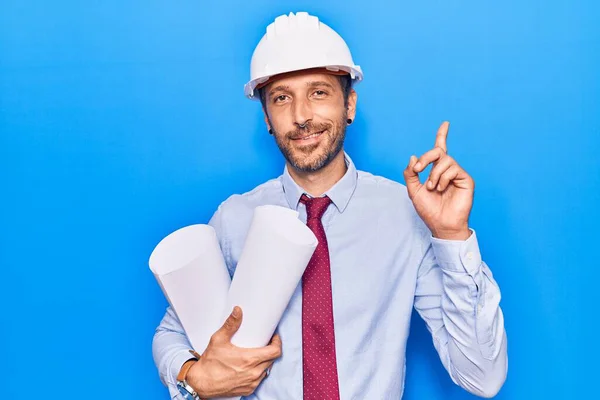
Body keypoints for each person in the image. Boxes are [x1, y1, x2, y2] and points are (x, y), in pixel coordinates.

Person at [152, 11, 508, 400]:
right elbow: (172, 333)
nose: (301, 116)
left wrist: (452, 236)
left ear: (349, 104)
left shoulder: (404, 213)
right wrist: (191, 376)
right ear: (267, 118)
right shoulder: (235, 218)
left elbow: (483, 377)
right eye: (282, 98)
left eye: (318, 92)